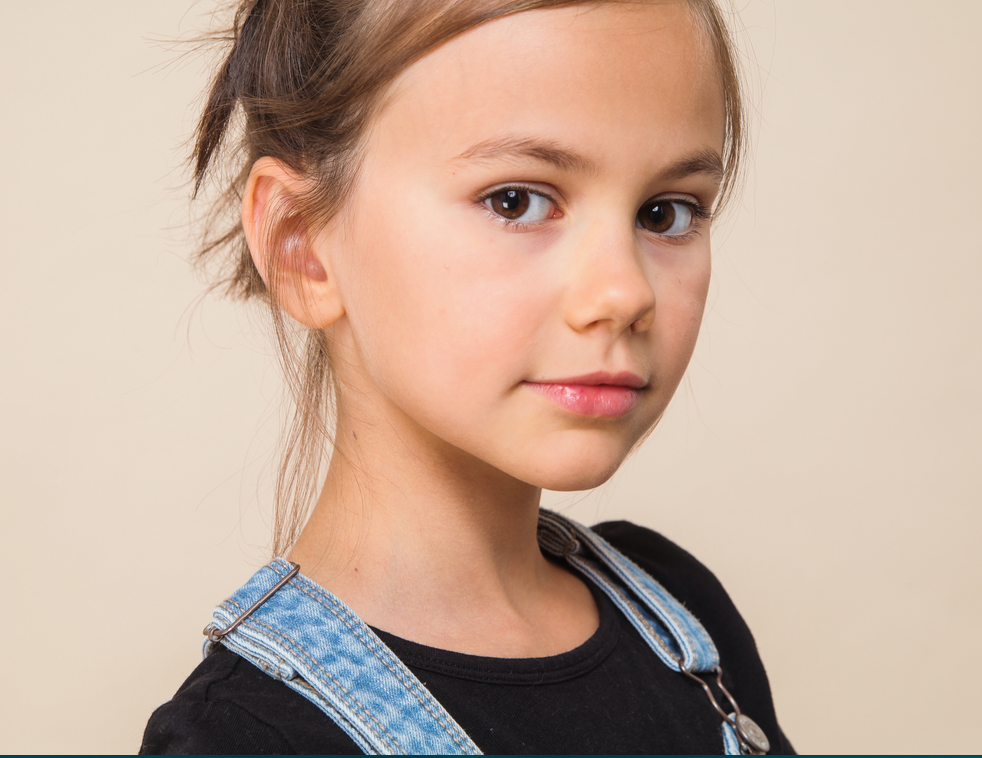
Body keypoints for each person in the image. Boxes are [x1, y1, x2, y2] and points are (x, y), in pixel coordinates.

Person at [140, 0, 794, 753]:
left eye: (665, 213)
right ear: (303, 246)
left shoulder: (682, 617)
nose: (624, 293)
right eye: (517, 201)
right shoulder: (243, 739)